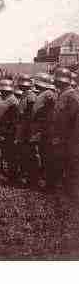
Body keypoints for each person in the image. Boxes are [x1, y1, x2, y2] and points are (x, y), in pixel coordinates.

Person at [53, 67, 79, 198]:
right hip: (62, 138)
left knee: (72, 168)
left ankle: (72, 194)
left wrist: (68, 139)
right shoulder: (62, 94)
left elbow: (74, 122)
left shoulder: (72, 96)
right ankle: (65, 192)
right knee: (63, 166)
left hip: (70, 140)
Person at [0, 80, 19, 184]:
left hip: (9, 132)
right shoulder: (4, 99)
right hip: (2, 131)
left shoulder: (13, 101)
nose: (2, 92)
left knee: (10, 156)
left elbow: (14, 119)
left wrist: (9, 130)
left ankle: (12, 177)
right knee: (6, 155)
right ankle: (7, 175)